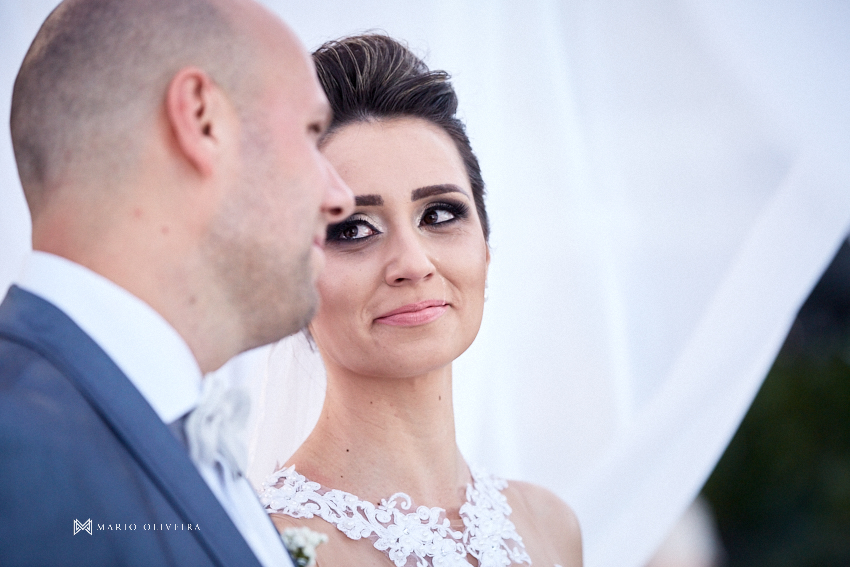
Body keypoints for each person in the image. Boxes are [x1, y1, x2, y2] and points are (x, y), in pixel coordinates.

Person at [0, 0, 352, 565]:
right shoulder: (14, 453)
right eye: (312, 132)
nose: (340, 197)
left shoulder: (194, 444)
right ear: (202, 119)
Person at [259, 34, 582, 567]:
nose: (412, 263)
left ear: (485, 245)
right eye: (354, 229)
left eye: (439, 215)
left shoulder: (551, 529)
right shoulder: (268, 545)